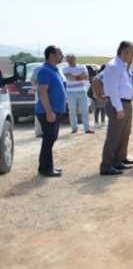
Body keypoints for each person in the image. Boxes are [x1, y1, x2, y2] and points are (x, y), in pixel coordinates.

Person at [100, 41, 133, 176]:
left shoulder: (123, 66)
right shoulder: (114, 66)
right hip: (118, 104)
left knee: (123, 135)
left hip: (125, 103)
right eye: (131, 52)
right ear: (124, 51)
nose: (132, 55)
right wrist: (119, 108)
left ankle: (117, 161)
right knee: (114, 136)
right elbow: (112, 89)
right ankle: (106, 165)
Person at [35, 45, 66, 177]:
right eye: (60, 53)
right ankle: (46, 169)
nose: (62, 56)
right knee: (48, 140)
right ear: (52, 55)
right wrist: (49, 111)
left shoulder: (54, 70)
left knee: (51, 139)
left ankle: (46, 167)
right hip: (47, 112)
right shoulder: (45, 71)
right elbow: (42, 92)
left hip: (54, 111)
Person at [63, 54, 94, 134]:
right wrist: (80, 76)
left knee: (85, 110)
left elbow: (86, 77)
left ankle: (87, 128)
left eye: (71, 59)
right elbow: (69, 77)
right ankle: (74, 128)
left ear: (75, 59)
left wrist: (76, 77)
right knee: (72, 111)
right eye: (68, 59)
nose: (69, 60)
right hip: (71, 92)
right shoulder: (65, 68)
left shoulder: (82, 66)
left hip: (82, 91)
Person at [30, 65, 43, 138]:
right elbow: (33, 80)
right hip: (40, 94)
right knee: (39, 112)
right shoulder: (38, 68)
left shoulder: (54, 68)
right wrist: (35, 88)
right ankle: (39, 132)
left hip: (51, 94)